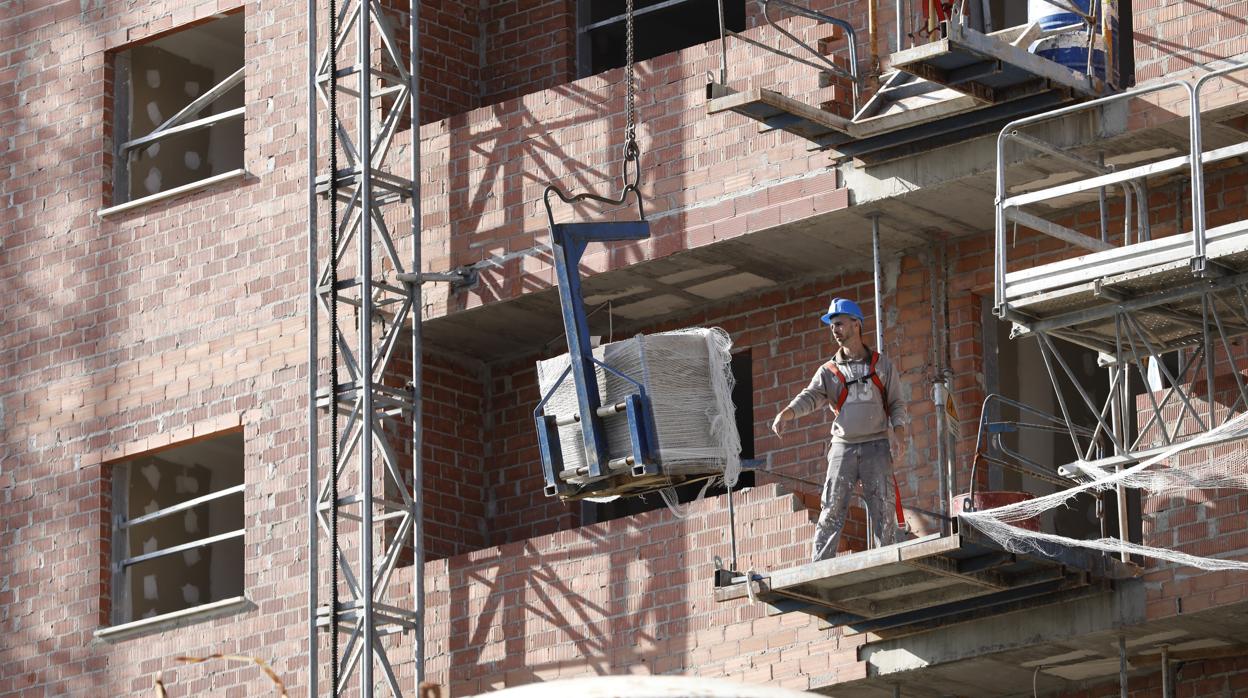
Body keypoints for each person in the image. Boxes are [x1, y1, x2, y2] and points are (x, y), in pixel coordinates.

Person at [771, 297, 908, 561]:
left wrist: (899, 435)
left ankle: (887, 560)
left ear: (857, 325)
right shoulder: (829, 371)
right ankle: (820, 563)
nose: (834, 330)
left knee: (882, 507)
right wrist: (787, 412)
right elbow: (810, 396)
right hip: (843, 447)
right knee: (832, 506)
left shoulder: (881, 366)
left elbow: (896, 404)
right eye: (832, 325)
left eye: (839, 323)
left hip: (876, 446)